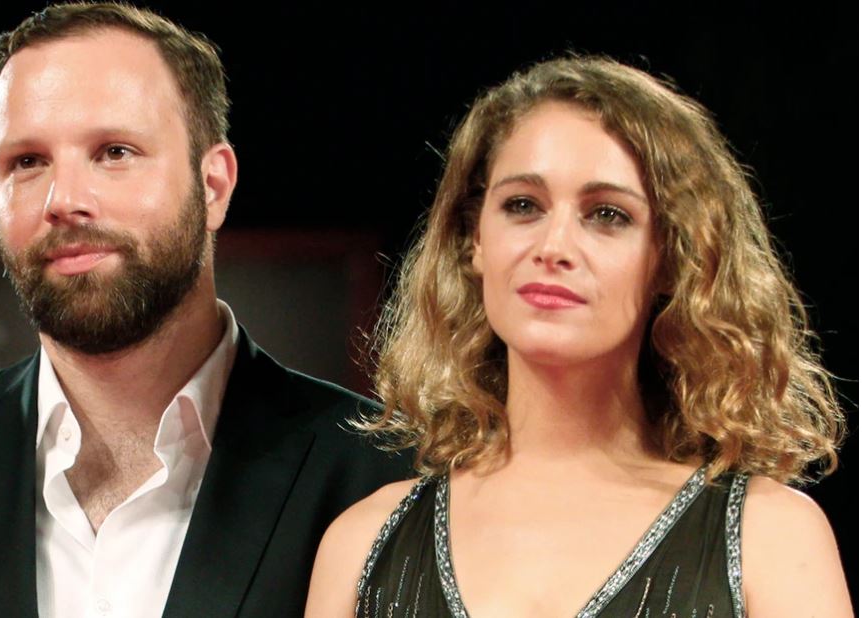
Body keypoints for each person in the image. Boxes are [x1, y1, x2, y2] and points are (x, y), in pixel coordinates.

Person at [0, 3, 410, 617]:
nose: (64, 200)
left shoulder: (385, 477)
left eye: (114, 152)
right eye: (27, 162)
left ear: (213, 185)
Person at [306, 56, 851, 617]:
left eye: (607, 215)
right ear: (474, 240)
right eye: (523, 206)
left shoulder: (771, 538)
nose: (554, 246)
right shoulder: (361, 547)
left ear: (672, 259)